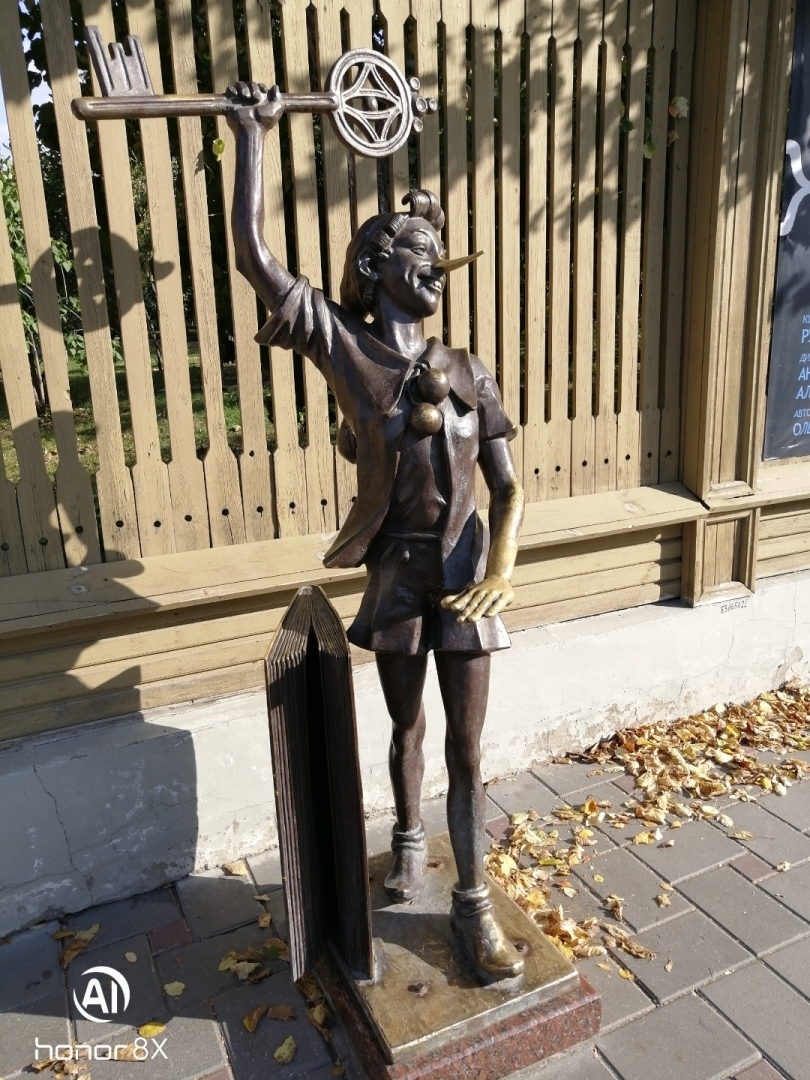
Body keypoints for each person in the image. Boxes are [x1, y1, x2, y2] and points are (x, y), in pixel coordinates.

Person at [227, 82, 525, 982]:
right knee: (405, 725)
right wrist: (252, 137)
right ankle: (406, 838)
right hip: (395, 574)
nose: (438, 268)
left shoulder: (469, 369)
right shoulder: (346, 349)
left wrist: (503, 570)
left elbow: (509, 488)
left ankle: (473, 907)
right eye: (421, 254)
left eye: (441, 257)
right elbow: (254, 257)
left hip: (467, 576)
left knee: (468, 747)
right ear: (376, 263)